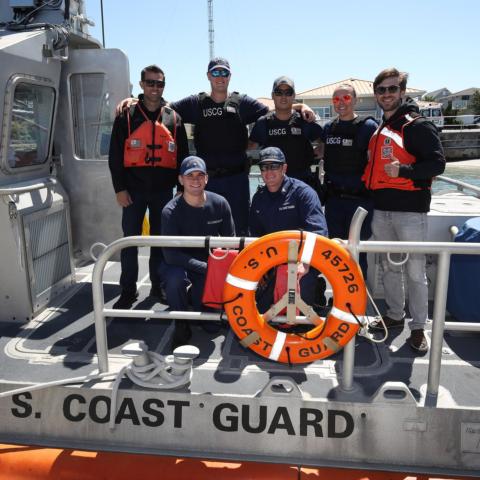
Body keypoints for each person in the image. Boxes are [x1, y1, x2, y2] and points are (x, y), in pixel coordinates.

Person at [118, 58, 315, 235]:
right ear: (208, 76)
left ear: (230, 76)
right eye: (216, 72)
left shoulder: (242, 103)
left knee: (239, 229)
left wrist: (299, 106)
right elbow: (163, 106)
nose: (220, 77)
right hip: (206, 181)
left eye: (224, 73)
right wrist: (137, 100)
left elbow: (276, 110)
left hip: (237, 180)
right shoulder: (196, 103)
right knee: (204, 229)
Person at [364, 68, 446, 353]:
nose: (387, 94)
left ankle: (418, 327)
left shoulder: (417, 125)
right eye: (382, 90)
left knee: (414, 271)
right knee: (388, 267)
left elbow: (437, 164)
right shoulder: (381, 127)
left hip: (410, 211)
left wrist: (405, 170)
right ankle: (395, 315)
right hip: (382, 209)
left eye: (392, 89)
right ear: (376, 94)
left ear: (402, 91)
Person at [109, 65, 189, 309]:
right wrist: (119, 189)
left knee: (160, 241)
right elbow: (114, 156)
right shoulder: (126, 116)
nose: (155, 88)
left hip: (163, 191)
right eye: (151, 83)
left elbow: (183, 157)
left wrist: (181, 191)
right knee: (130, 242)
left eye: (160, 83)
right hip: (132, 190)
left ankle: (157, 286)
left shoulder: (174, 118)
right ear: (142, 84)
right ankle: (128, 290)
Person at [160, 156, 235, 347]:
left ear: (207, 179)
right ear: (181, 180)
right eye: (190, 175)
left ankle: (195, 296)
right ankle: (181, 323)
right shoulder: (169, 211)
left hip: (208, 265)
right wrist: (207, 267)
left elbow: (231, 243)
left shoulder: (220, 203)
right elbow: (171, 255)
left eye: (200, 175)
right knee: (175, 279)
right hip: (178, 264)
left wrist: (217, 269)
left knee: (211, 327)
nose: (195, 180)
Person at [249, 147, 328, 311]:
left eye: (274, 167)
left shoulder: (303, 193)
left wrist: (304, 264)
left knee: (300, 311)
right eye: (264, 167)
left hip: (301, 262)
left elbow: (319, 231)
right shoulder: (259, 198)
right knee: (264, 308)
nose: (268, 172)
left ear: (284, 168)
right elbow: (255, 236)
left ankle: (315, 291)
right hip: (272, 262)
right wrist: (260, 268)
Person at [321, 83, 378, 273]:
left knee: (357, 254)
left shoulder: (368, 127)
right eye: (336, 99)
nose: (341, 103)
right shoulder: (329, 128)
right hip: (334, 202)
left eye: (346, 98)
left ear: (355, 100)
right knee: (335, 251)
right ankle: (338, 297)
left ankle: (359, 300)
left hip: (360, 203)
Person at [249, 76, 323, 185]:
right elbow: (248, 147)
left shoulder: (304, 120)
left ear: (293, 96)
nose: (283, 96)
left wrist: (323, 147)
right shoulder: (263, 123)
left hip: (302, 185)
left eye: (288, 92)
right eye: (279, 92)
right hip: (274, 187)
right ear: (273, 95)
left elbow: (326, 138)